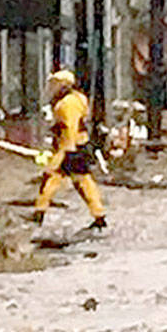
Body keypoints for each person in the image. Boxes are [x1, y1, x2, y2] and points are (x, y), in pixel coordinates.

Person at [32, 68, 107, 229]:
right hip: (77, 145)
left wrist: (65, 150)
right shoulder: (77, 98)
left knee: (53, 177)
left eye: (55, 83)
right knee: (82, 181)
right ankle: (99, 215)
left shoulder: (68, 103)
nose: (52, 87)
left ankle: (39, 212)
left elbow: (70, 126)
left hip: (71, 147)